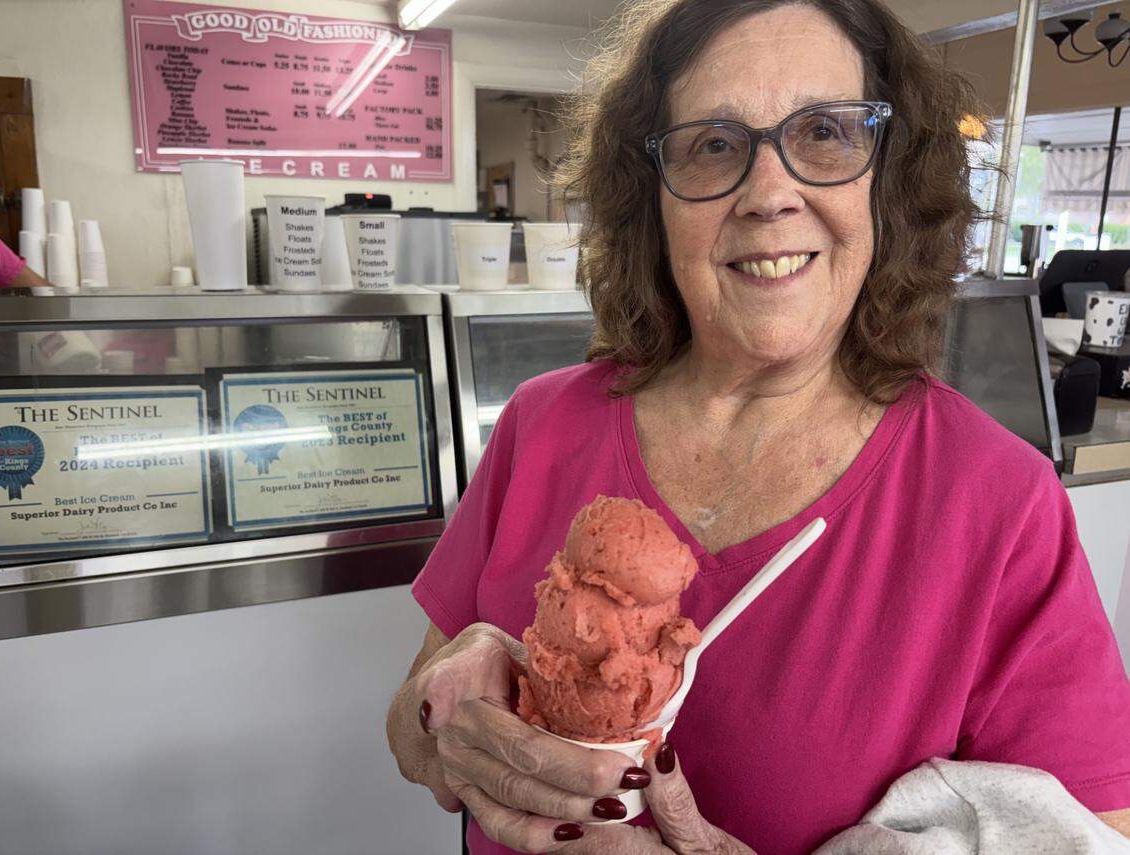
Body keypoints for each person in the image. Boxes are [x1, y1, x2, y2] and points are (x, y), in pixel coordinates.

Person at [387, 0, 1130, 852]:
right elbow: (412, 736)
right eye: (713, 143)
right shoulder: (542, 424)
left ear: (889, 180)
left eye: (826, 132)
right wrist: (441, 715)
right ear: (652, 200)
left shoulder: (998, 502)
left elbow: (1088, 836)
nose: (770, 194)